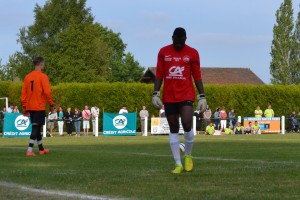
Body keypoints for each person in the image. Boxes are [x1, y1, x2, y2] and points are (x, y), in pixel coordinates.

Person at [152, 27, 207, 174]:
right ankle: (178, 164)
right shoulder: (163, 52)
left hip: (186, 94)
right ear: (172, 38)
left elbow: (197, 75)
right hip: (169, 96)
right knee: (174, 128)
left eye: (180, 42)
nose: (178, 45)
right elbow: (159, 74)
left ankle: (188, 155)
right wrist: (155, 93)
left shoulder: (193, 53)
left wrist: (202, 96)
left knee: (187, 123)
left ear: (185, 39)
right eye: (175, 41)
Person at [21, 56, 53, 156]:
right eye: (43, 64)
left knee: (37, 127)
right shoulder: (43, 76)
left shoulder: (27, 77)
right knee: (35, 128)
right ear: (41, 64)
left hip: (30, 106)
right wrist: (51, 104)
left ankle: (41, 149)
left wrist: (24, 105)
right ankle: (29, 150)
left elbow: (24, 92)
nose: (44, 65)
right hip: (39, 106)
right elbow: (47, 92)